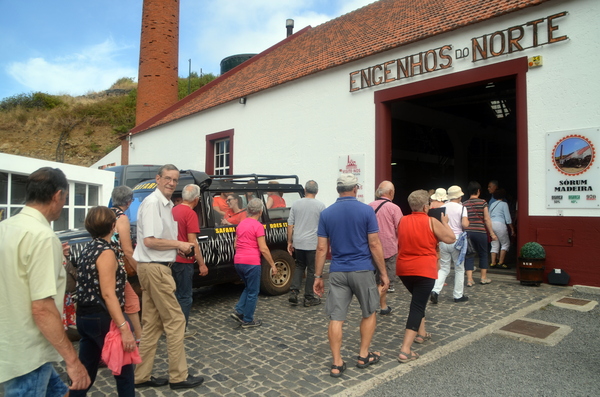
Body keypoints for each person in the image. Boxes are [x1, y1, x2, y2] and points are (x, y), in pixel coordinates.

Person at [0, 167, 91, 395]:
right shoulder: (42, 236)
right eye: (65, 199)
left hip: (11, 345)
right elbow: (41, 308)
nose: (63, 204)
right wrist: (73, 361)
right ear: (57, 195)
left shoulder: (5, 228)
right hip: (29, 352)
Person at [133, 164, 204, 390]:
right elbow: (150, 241)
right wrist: (179, 244)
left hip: (154, 266)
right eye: (168, 178)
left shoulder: (166, 204)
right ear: (158, 179)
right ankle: (178, 377)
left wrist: (178, 249)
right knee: (175, 320)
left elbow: (157, 240)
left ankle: (141, 376)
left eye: (175, 180)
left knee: (152, 324)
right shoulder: (154, 203)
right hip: (155, 269)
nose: (172, 183)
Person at [314, 174, 389, 378]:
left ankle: (337, 363)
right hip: (362, 269)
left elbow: (321, 248)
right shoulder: (366, 211)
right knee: (369, 311)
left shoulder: (327, 213)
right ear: (355, 188)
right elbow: (374, 243)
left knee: (336, 317)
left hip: (338, 270)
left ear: (338, 189)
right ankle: (363, 355)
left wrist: (318, 276)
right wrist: (383, 273)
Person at [72, 206, 138, 397]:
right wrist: (124, 327)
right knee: (124, 373)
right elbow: (108, 294)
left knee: (86, 371)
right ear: (112, 225)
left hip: (85, 317)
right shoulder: (106, 252)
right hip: (102, 318)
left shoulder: (88, 248)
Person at [396, 190, 455, 363]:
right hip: (424, 269)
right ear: (425, 206)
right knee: (417, 306)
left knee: (417, 300)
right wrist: (445, 223)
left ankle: (421, 333)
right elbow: (451, 238)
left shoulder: (402, 220)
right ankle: (405, 350)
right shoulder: (431, 221)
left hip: (404, 269)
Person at [230, 198, 278, 328]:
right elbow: (263, 248)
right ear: (261, 211)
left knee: (248, 287)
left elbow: (235, 245)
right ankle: (248, 319)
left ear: (248, 210)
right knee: (253, 291)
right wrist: (273, 265)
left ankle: (239, 310)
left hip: (238, 261)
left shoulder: (241, 224)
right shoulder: (258, 226)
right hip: (251, 262)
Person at [172, 184, 208, 337]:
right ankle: (182, 329)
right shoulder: (190, 214)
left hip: (170, 258)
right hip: (184, 260)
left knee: (173, 294)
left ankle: (172, 325)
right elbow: (193, 243)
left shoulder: (173, 210)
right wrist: (201, 263)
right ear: (196, 199)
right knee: (185, 296)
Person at [110, 185, 143, 344]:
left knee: (125, 302)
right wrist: (139, 271)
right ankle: (138, 337)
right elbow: (127, 250)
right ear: (129, 202)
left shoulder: (107, 213)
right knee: (131, 301)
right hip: (116, 266)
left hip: (106, 263)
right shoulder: (121, 218)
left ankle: (138, 335)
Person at [287, 180, 326, 307]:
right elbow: (323, 226)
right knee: (311, 270)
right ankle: (308, 297)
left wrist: (289, 241)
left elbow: (290, 224)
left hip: (298, 241)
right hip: (312, 243)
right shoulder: (320, 206)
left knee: (299, 266)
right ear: (317, 191)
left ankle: (294, 291)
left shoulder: (296, 204)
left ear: (305, 190)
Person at [368, 180, 403, 314]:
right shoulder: (394, 208)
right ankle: (373, 306)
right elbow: (400, 229)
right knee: (385, 280)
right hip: (388, 249)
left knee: (377, 279)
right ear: (391, 192)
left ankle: (383, 306)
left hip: (371, 248)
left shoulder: (369, 206)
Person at [430, 185, 470, 302]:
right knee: (459, 268)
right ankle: (458, 295)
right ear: (459, 196)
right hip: (457, 240)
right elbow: (465, 225)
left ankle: (435, 290)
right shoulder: (462, 208)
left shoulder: (443, 207)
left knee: (443, 268)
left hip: (443, 240)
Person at [464, 181, 498, 286]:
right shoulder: (483, 202)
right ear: (479, 191)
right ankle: (483, 278)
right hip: (480, 232)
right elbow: (487, 219)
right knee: (483, 254)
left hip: (468, 232)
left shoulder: (464, 204)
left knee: (469, 255)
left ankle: (470, 280)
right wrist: (492, 233)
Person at [489, 188, 515, 269]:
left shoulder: (492, 204)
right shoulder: (504, 204)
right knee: (505, 243)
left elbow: (488, 216)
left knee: (494, 243)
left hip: (492, 224)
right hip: (500, 224)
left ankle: (493, 263)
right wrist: (512, 228)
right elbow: (507, 218)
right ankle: (501, 262)